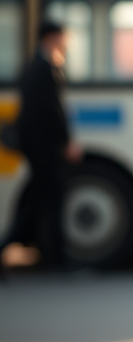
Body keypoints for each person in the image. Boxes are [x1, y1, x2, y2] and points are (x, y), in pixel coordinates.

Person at [1, 21, 82, 269]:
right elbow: (53, 111)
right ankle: (55, 258)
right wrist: (67, 142)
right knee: (47, 199)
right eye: (64, 37)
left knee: (41, 199)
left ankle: (44, 253)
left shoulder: (36, 65)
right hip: (44, 146)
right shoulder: (45, 67)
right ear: (51, 37)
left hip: (39, 145)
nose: (67, 43)